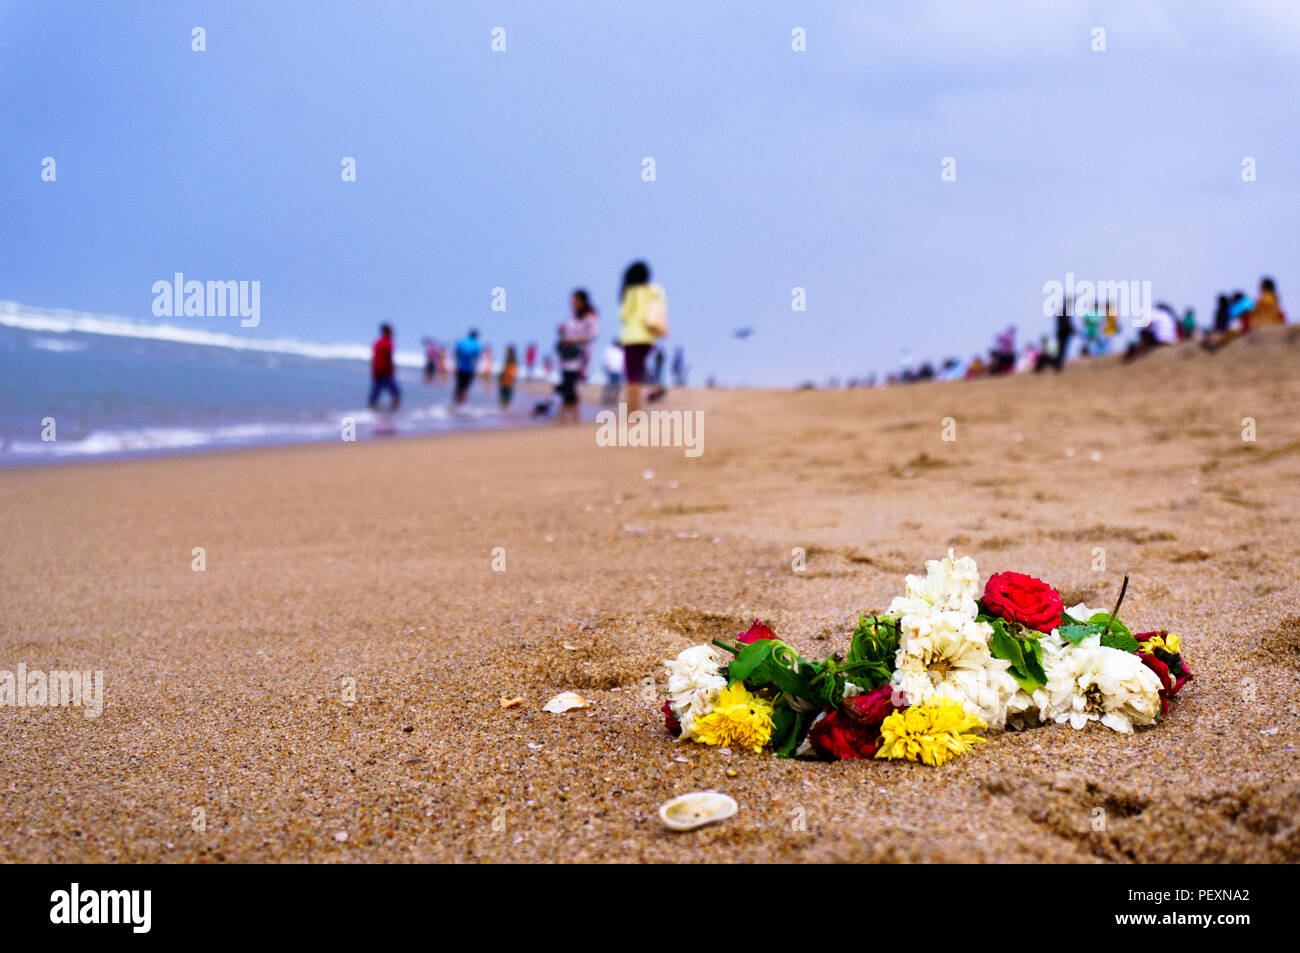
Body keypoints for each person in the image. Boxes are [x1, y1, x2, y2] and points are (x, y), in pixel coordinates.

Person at [619, 261, 668, 413]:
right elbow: (661, 311)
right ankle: (636, 409)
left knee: (632, 377)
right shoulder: (656, 290)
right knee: (639, 372)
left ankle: (633, 412)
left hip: (632, 337)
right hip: (649, 337)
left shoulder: (632, 291)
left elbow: (624, 316)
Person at [556, 289, 599, 424]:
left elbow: (593, 335)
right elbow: (568, 333)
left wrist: (574, 341)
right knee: (566, 384)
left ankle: (572, 415)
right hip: (567, 355)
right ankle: (567, 414)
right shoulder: (572, 317)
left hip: (579, 355)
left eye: (575, 300)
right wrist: (562, 332)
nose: (572, 303)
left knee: (569, 384)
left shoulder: (589, 317)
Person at [368, 323, 401, 411]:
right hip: (385, 371)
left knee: (375, 392)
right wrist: (392, 368)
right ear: (388, 332)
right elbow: (389, 357)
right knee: (396, 392)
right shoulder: (388, 342)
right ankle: (394, 412)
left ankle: (371, 410)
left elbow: (373, 358)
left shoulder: (377, 342)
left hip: (377, 371)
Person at [453, 329, 482, 405]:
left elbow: (456, 354)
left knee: (458, 386)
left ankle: (455, 404)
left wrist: (456, 365)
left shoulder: (462, 342)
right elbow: (476, 359)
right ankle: (462, 405)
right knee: (465, 388)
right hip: (469, 369)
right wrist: (475, 370)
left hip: (460, 368)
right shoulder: (476, 345)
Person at [601, 341, 623, 405]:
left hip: (618, 371)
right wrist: (606, 368)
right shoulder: (610, 351)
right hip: (611, 370)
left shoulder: (621, 352)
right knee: (610, 386)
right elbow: (605, 360)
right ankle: (606, 400)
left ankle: (613, 400)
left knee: (616, 386)